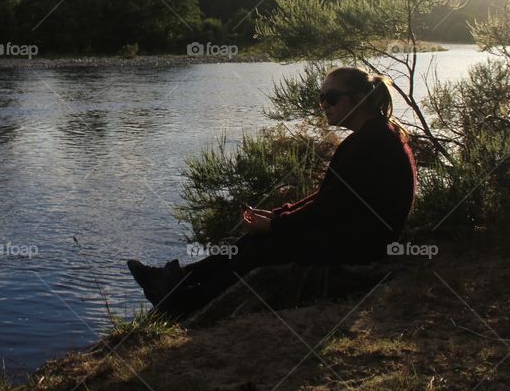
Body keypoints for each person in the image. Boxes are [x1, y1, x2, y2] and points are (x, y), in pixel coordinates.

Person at [127, 66, 418, 318]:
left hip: (363, 244)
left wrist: (276, 225)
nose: (323, 105)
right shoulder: (374, 135)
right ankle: (177, 281)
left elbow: (330, 206)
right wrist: (278, 215)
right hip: (361, 234)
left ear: (360, 98)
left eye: (331, 98)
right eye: (321, 98)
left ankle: (185, 300)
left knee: (262, 246)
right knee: (254, 239)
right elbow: (330, 198)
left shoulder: (369, 143)